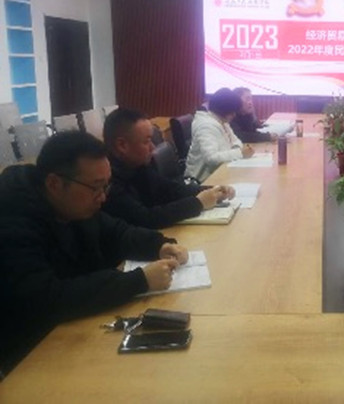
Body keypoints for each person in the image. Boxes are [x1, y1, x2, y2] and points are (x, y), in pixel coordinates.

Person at [0, 131, 189, 376]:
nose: (103, 196)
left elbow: (116, 231)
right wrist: (139, 280)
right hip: (31, 354)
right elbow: (46, 299)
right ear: (54, 184)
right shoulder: (11, 222)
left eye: (106, 185)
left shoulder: (71, 203)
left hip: (77, 326)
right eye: (96, 187)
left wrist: (159, 245)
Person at [101, 108, 235, 229]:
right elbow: (145, 218)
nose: (153, 148)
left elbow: (171, 190)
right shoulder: (106, 181)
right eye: (146, 141)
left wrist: (211, 190)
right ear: (122, 145)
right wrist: (198, 203)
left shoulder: (137, 166)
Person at [185, 88, 255, 182]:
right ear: (223, 109)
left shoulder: (222, 121)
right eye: (232, 111)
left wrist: (237, 149)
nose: (234, 115)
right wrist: (240, 153)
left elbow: (236, 140)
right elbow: (211, 159)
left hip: (223, 169)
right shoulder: (206, 126)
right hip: (203, 180)